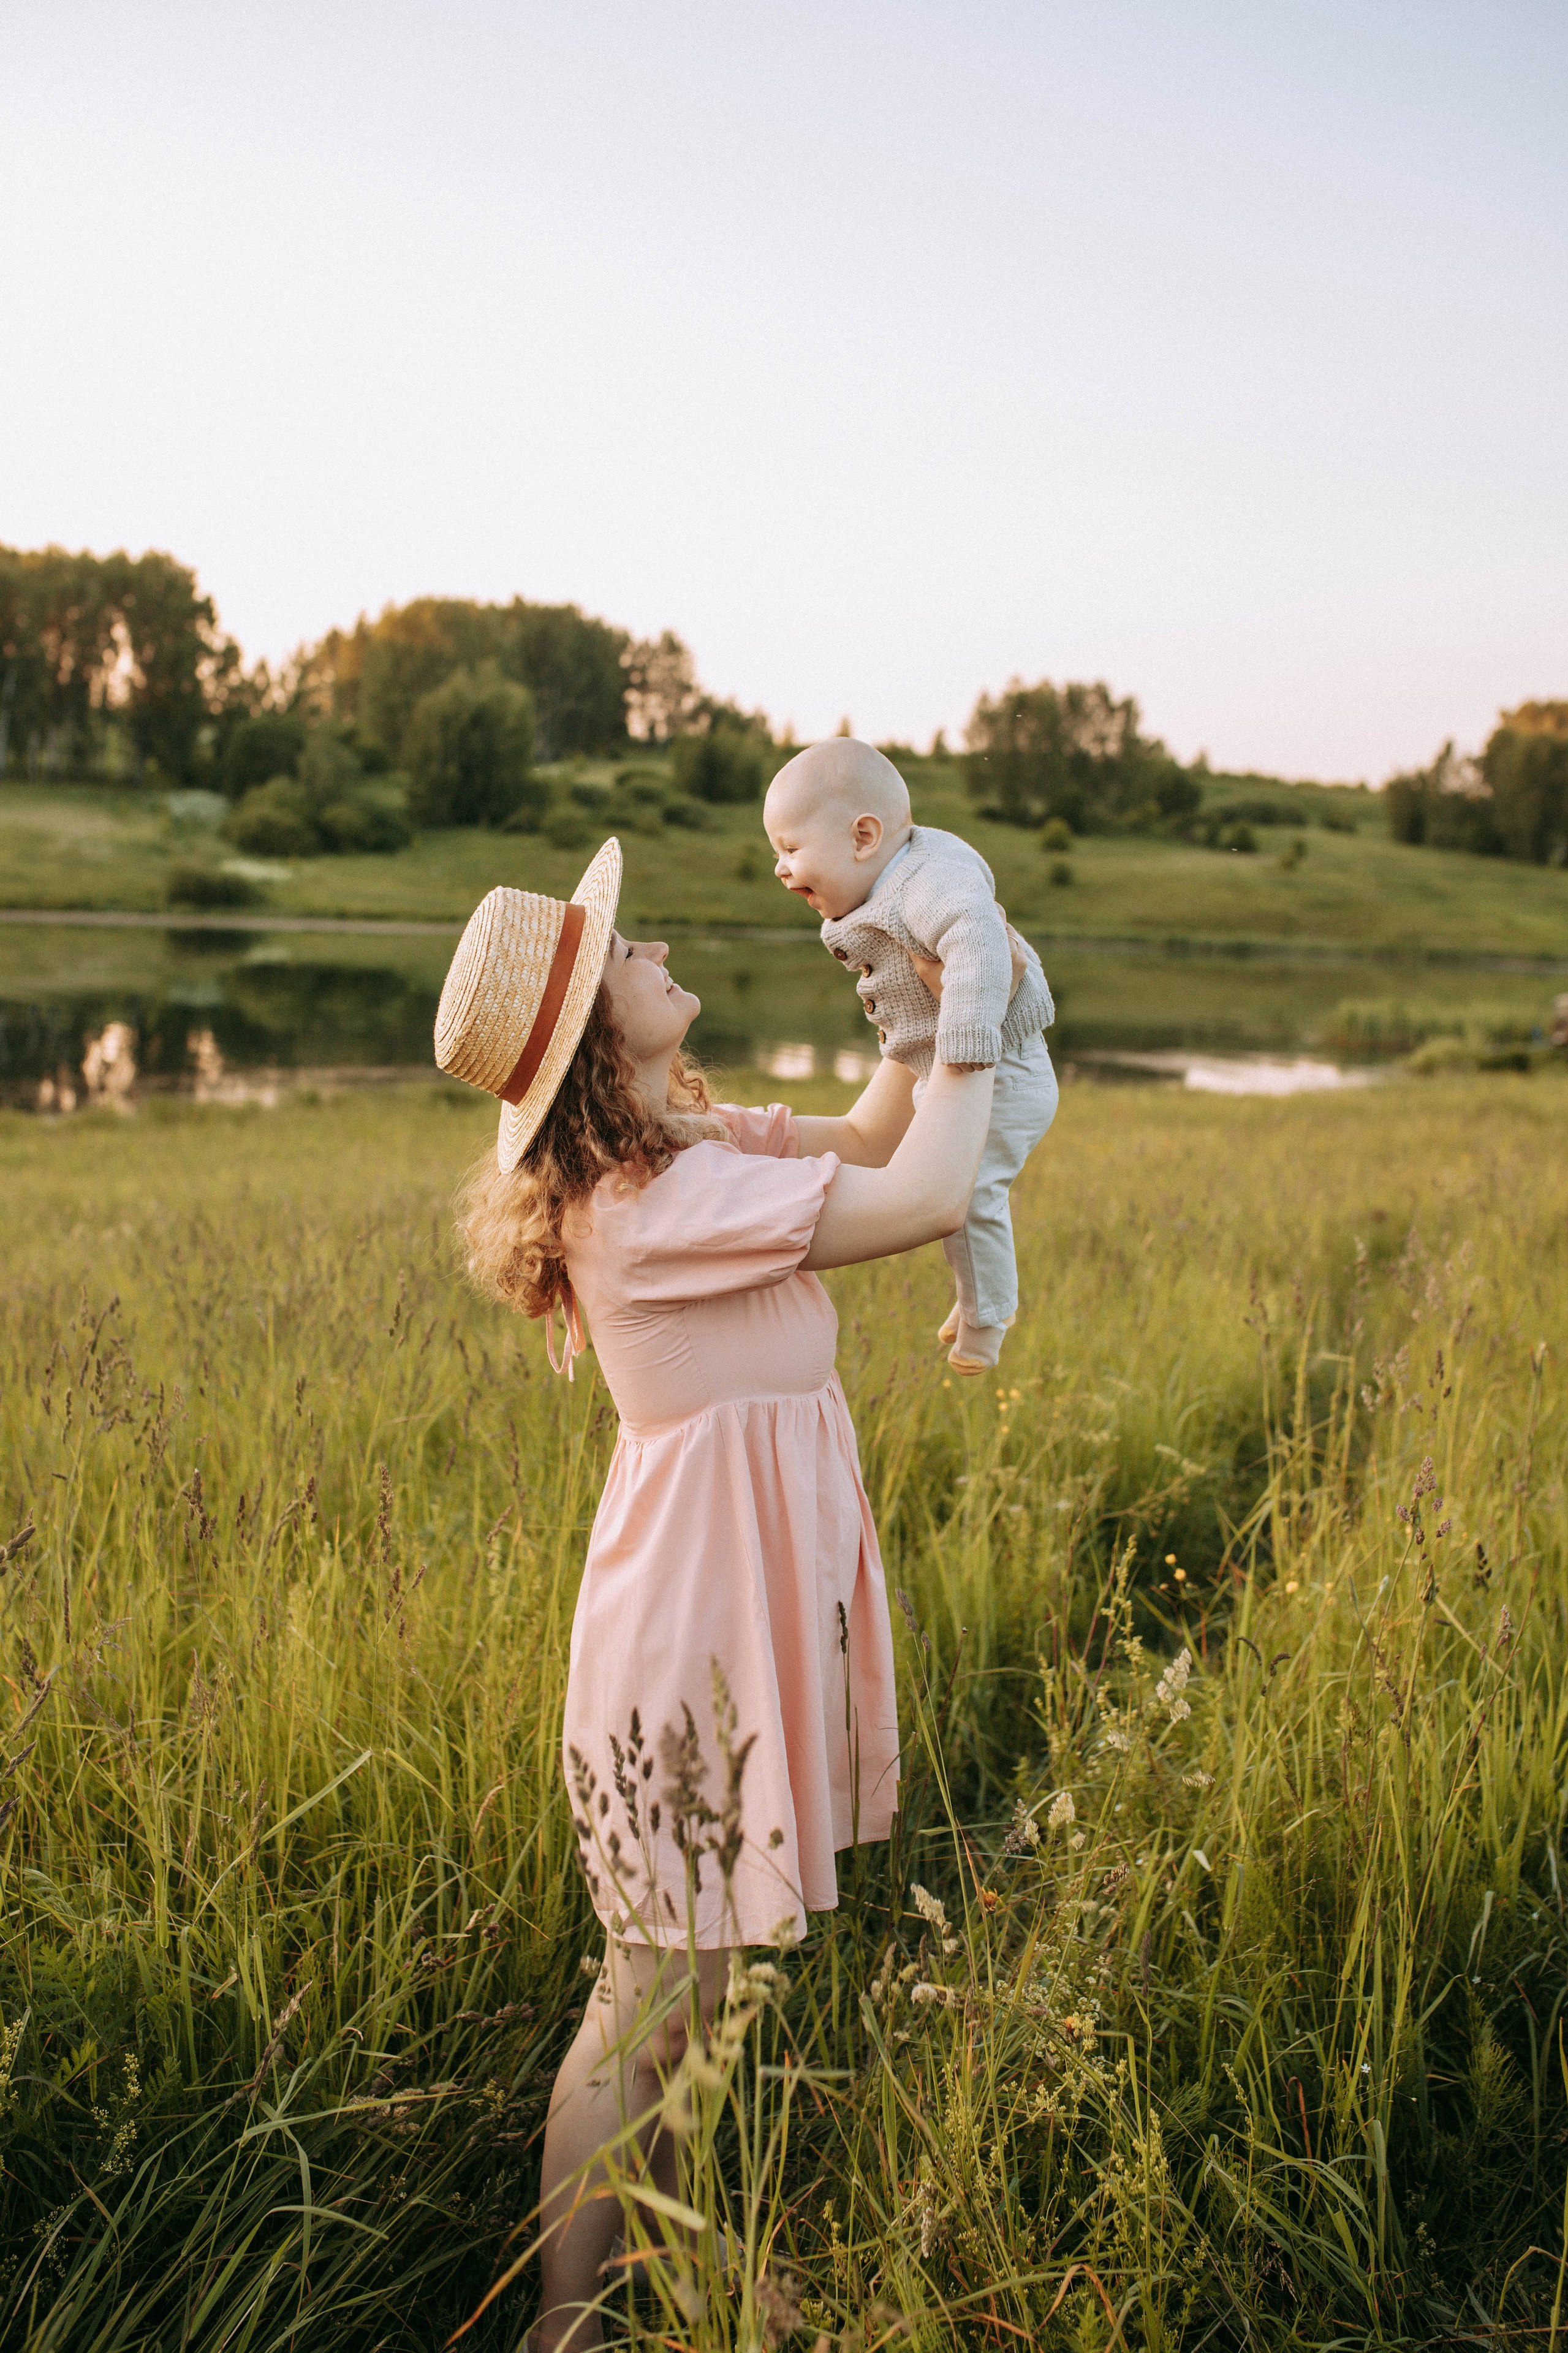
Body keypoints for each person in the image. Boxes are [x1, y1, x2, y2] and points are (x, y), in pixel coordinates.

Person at [434, 838, 997, 2353]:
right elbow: (935, 1192)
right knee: (653, 1986)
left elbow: (883, 1134)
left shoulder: (685, 1148)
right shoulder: (648, 1205)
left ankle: (665, 2270)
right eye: (624, 951)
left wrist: (917, 992)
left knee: (696, 1977)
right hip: (688, 1634)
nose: (652, 946)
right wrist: (980, 1015)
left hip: (732, 1607)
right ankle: (574, 2321)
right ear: (592, 1040)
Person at [764, 737, 1058, 1374]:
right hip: (959, 1067)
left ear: (863, 837)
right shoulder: (892, 878)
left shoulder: (926, 882)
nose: (781, 871)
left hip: (998, 1070)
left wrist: (965, 1050)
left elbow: (979, 941)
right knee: (950, 1189)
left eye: (790, 850)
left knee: (967, 1193)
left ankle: (987, 1318)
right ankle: (977, 1295)